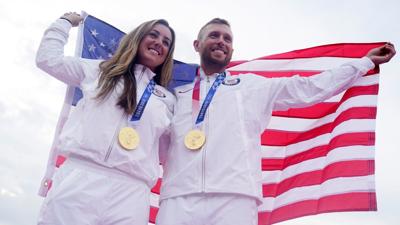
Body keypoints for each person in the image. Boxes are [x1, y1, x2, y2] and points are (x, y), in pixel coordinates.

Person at [156, 18, 396, 225]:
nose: (221, 41)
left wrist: (363, 63)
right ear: (197, 45)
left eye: (227, 39)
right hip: (178, 196)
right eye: (214, 35)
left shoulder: (253, 86)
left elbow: (310, 88)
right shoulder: (174, 89)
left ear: (232, 50)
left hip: (234, 197)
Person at [36, 12, 176, 225]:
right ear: (138, 38)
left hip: (131, 193)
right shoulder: (98, 71)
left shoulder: (168, 100)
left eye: (166, 42)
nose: (159, 43)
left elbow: (169, 153)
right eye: (153, 35)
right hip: (81, 178)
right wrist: (63, 23)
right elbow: (48, 60)